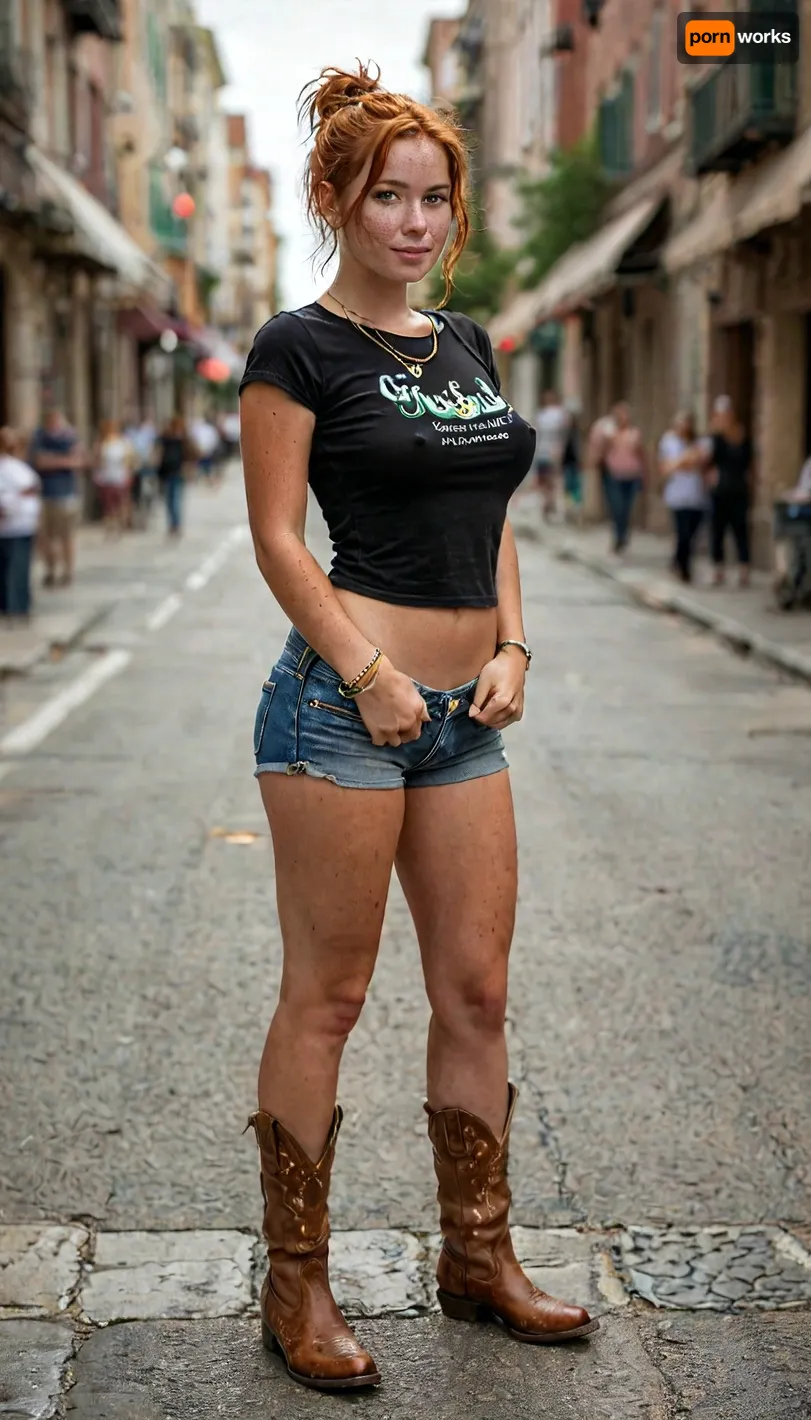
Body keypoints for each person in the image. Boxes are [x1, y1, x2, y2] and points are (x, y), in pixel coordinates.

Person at [239, 62, 598, 1394]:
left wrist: (512, 642)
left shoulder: (468, 344)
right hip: (340, 710)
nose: (413, 220)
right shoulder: (297, 348)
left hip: (464, 720)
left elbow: (488, 518)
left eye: (433, 197)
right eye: (386, 196)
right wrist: (372, 672)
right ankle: (297, 1283)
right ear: (336, 201)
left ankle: (476, 1255)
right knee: (328, 996)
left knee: (477, 990)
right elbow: (278, 538)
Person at [30, 409, 84, 588]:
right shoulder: (39, 437)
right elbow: (40, 461)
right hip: (45, 494)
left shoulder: (70, 437)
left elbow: (77, 461)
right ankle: (51, 570)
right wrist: (64, 460)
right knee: (46, 537)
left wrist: (54, 460)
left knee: (67, 536)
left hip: (66, 495)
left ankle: (68, 571)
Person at [707, 395, 752, 587]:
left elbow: (748, 461)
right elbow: (710, 460)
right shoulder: (716, 437)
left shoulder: (742, 435)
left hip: (738, 489)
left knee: (740, 530)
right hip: (720, 490)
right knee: (717, 531)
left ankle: (744, 569)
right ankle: (719, 569)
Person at [658, 411, 708, 583]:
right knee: (683, 533)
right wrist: (685, 460)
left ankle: (677, 561)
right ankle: (685, 569)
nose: (684, 427)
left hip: (696, 496)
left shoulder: (699, 441)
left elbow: (701, 461)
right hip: (677, 496)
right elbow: (666, 467)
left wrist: (681, 462)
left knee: (693, 534)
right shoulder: (668, 441)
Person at [0, 427, 41, 621]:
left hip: (19, 524)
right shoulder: (12, 467)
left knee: (13, 567)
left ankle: (14, 605)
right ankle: (13, 606)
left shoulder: (17, 467)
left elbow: (29, 490)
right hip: (14, 524)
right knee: (12, 568)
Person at [597, 401, 647, 555]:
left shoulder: (634, 433)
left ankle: (623, 535)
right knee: (617, 507)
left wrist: (644, 473)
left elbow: (641, 454)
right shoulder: (609, 433)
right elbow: (601, 454)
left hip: (632, 475)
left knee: (626, 508)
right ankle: (618, 536)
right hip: (614, 475)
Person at [93, 420, 134, 537]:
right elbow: (97, 460)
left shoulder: (123, 442)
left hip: (120, 477)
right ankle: (110, 526)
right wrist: (97, 474)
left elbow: (129, 460)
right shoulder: (101, 443)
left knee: (120, 502)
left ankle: (120, 524)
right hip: (106, 477)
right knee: (108, 504)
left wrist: (128, 474)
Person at [533, 389, 569, 521]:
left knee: (551, 479)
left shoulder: (559, 414)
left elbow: (564, 434)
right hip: (543, 451)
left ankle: (550, 501)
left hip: (553, 451)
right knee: (544, 480)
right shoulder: (541, 414)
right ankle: (548, 501)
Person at [156, 415, 190, 538]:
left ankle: (175, 524)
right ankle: (173, 524)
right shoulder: (165, 438)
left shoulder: (182, 440)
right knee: (169, 501)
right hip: (167, 472)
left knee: (174, 499)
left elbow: (189, 455)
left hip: (177, 472)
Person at [125, 413, 157, 528]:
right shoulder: (130, 433)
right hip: (135, 468)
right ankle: (136, 518)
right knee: (136, 495)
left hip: (147, 467)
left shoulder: (149, 432)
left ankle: (145, 517)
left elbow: (154, 449)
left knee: (147, 493)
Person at [191, 414, 220, 482]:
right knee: (203, 464)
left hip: (205, 450)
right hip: (204, 450)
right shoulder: (204, 429)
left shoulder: (207, 429)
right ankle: (205, 477)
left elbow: (213, 440)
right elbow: (214, 440)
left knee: (205, 464)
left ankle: (206, 477)